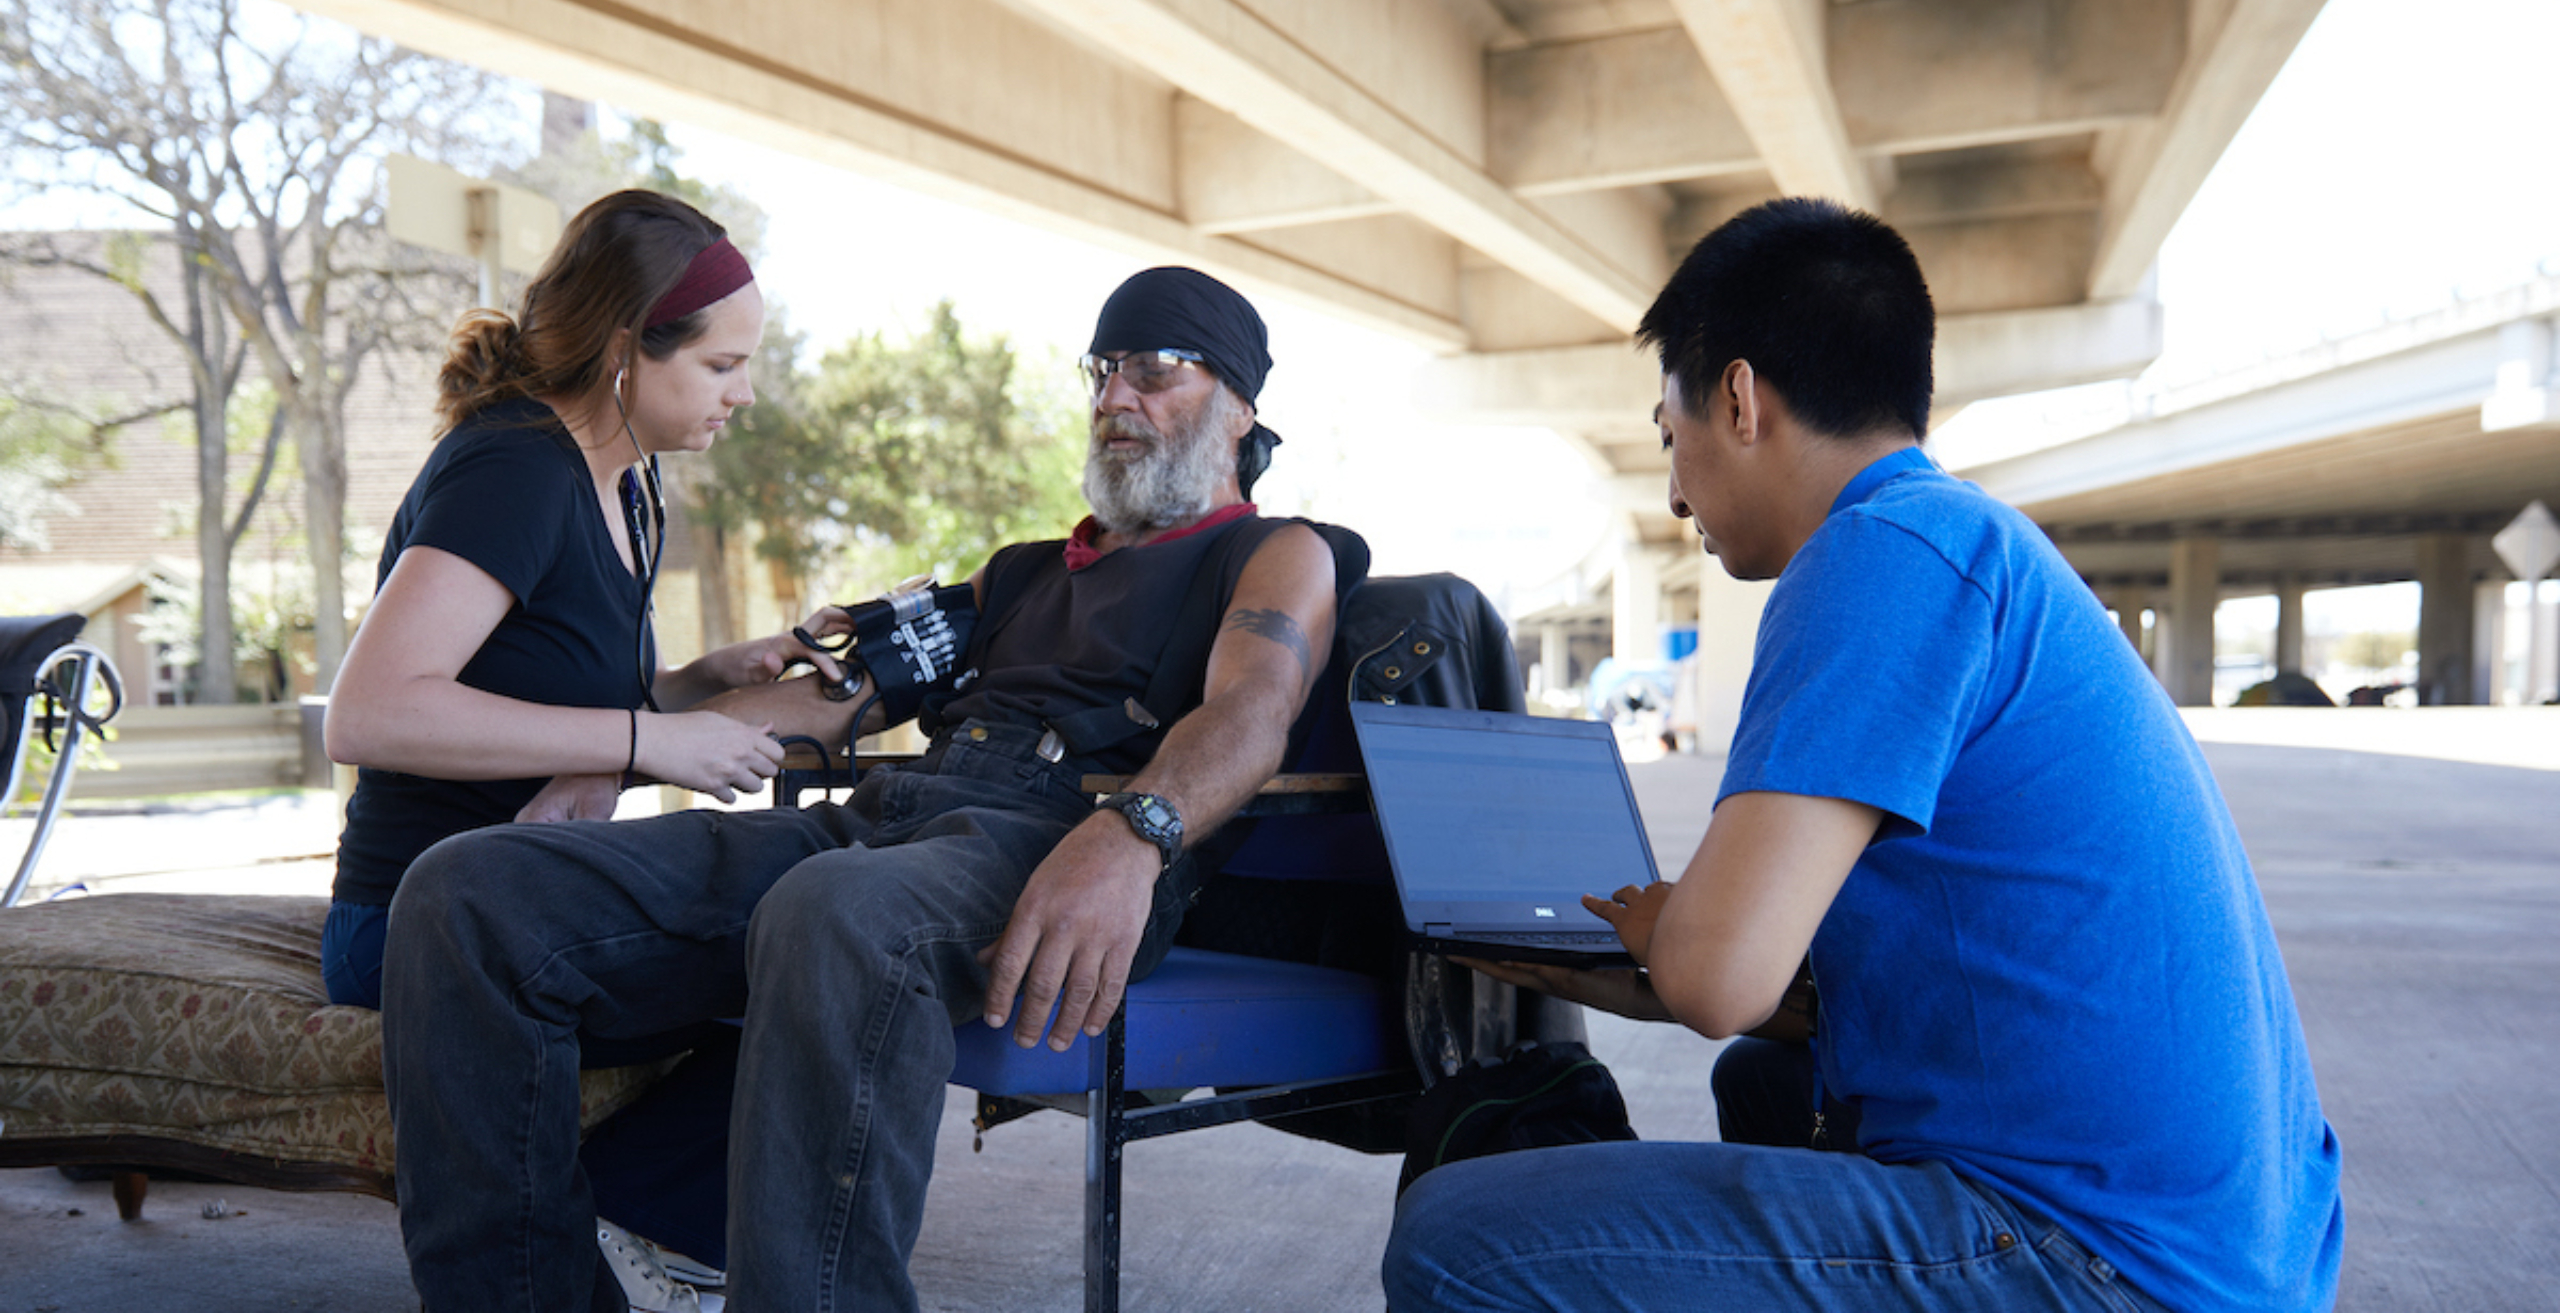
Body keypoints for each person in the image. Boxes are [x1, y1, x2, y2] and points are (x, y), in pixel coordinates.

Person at [1382, 199, 2343, 1313]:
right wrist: (1636, 961)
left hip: (2107, 1263)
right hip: (2235, 1249)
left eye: (1667, 434)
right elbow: (1817, 991)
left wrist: (1664, 934)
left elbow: (1714, 977)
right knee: (1769, 1086)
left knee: (1460, 1242)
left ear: (1738, 399)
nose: (1674, 490)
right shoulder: (1967, 541)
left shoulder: (1870, 559)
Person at [378, 265, 1347, 1312]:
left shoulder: (1275, 553)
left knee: (837, 912)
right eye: (1104, 371)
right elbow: (824, 702)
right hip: (895, 822)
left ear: (1240, 403)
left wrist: (1136, 835)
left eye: (1157, 371)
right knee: (469, 891)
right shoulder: (1014, 575)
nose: (1117, 398)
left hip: (1068, 841)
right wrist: (625, 750)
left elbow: (1250, 712)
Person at [323, 188, 847, 1305]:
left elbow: (532, 680)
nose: (743, 393)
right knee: (838, 956)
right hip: (418, 930)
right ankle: (625, 1226)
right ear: (625, 353)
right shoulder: (512, 468)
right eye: (720, 366)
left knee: (857, 939)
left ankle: (621, 1215)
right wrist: (641, 738)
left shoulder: (627, 485)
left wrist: (696, 683)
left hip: (546, 897)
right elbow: (368, 710)